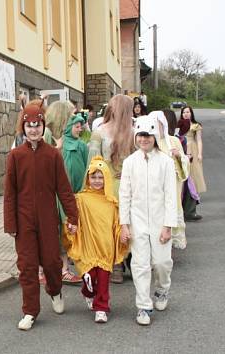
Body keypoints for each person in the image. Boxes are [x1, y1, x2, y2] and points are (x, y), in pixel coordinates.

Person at [4, 100, 79, 331]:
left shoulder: (53, 155)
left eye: (38, 125)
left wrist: (72, 217)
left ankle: (55, 291)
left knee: (52, 263)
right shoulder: (15, 156)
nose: (34, 129)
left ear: (43, 126)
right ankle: (30, 311)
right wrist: (11, 223)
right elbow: (10, 193)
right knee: (26, 266)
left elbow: (64, 189)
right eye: (29, 125)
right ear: (23, 128)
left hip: (48, 219)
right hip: (24, 220)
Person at [119, 114, 177, 326]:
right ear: (136, 137)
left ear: (155, 137)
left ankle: (162, 289)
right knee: (140, 264)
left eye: (148, 135)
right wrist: (124, 224)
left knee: (162, 262)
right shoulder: (129, 163)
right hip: (137, 221)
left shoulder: (166, 163)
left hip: (160, 220)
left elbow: (171, 196)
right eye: (141, 135)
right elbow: (124, 195)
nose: (144, 139)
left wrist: (168, 225)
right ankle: (143, 306)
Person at [66, 156, 129, 323]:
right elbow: (74, 218)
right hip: (88, 246)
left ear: (106, 178)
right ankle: (87, 292)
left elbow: (117, 223)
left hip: (105, 247)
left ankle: (101, 307)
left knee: (103, 279)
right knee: (89, 275)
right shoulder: (81, 199)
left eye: (101, 177)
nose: (97, 181)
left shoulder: (111, 202)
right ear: (88, 178)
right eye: (93, 177)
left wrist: (122, 233)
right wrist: (71, 226)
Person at [88, 94, 135, 283]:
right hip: (113, 185)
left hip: (119, 185)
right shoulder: (102, 131)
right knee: (114, 225)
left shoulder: (131, 132)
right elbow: (93, 162)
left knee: (118, 225)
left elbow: (92, 162)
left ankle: (118, 263)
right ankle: (115, 263)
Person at [43, 100, 83, 285]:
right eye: (71, 114)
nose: (74, 117)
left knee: (63, 231)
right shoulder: (48, 133)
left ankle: (64, 269)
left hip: (63, 191)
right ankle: (47, 270)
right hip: (49, 192)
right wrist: (57, 148)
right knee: (52, 230)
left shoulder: (68, 136)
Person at [160, 110, 190, 249]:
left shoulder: (173, 141)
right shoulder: (149, 139)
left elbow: (184, 165)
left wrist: (179, 156)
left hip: (172, 186)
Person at [181, 106, 206, 221]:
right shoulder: (179, 124)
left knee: (193, 176)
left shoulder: (196, 125)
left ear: (191, 113)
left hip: (193, 149)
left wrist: (200, 154)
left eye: (188, 112)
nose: (186, 114)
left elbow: (199, 140)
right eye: (184, 112)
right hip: (181, 148)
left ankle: (191, 205)